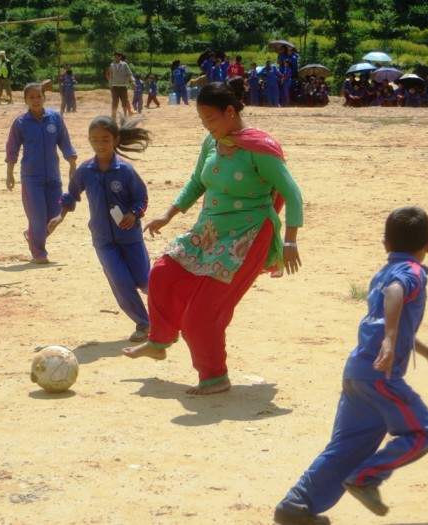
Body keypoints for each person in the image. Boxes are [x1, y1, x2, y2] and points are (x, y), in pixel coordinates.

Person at [273, 206, 428, 525]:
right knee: (423, 431)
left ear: (385, 244)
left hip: (358, 372)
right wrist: (389, 340)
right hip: (380, 377)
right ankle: (366, 478)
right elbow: (396, 294)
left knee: (347, 446)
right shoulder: (409, 274)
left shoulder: (382, 273)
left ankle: (296, 505)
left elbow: (394, 313)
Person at [122, 79, 303, 395]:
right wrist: (169, 213)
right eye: (203, 121)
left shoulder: (259, 149)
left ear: (230, 111)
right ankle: (160, 341)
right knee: (163, 275)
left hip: (247, 237)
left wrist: (289, 241)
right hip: (209, 231)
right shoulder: (212, 141)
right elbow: (197, 181)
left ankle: (214, 376)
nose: (207, 126)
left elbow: (293, 194)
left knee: (201, 314)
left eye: (211, 119)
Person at [49, 116, 152, 342]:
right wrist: (60, 215)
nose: (100, 144)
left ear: (115, 140)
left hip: (131, 237)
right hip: (103, 240)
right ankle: (144, 324)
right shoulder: (85, 170)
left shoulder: (125, 170)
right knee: (120, 282)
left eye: (105, 139)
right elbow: (71, 195)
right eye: (95, 140)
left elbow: (141, 198)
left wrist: (133, 214)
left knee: (145, 282)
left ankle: (167, 319)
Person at [5, 82, 77, 264]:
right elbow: (12, 148)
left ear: (44, 97)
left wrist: (72, 163)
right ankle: (39, 252)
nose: (36, 100)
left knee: (55, 215)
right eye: (31, 97)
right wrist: (10, 173)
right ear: (25, 100)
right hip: (31, 178)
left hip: (53, 176)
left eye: (39, 96)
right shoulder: (20, 123)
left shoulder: (55, 118)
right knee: (37, 216)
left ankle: (32, 235)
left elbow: (64, 142)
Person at [106, 51, 134, 121]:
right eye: (115, 57)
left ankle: (125, 116)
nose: (116, 58)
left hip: (123, 87)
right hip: (114, 87)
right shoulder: (112, 65)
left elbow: (129, 74)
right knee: (114, 103)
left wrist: (133, 81)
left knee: (124, 103)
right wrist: (110, 85)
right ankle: (113, 117)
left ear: (120, 57)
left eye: (118, 57)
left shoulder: (124, 64)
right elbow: (110, 76)